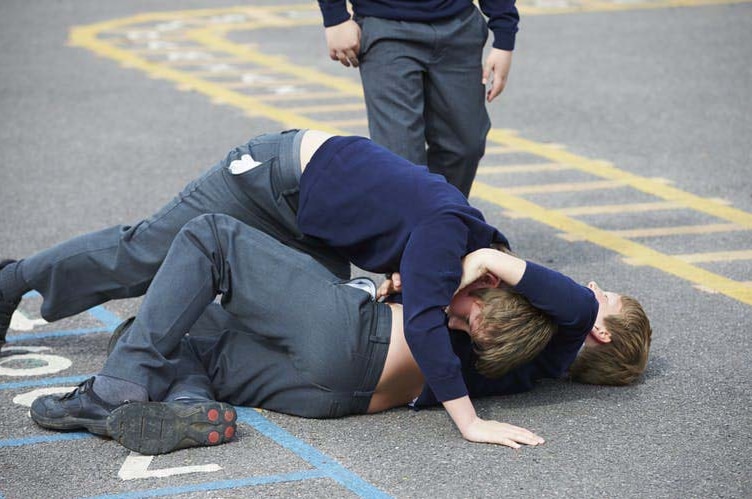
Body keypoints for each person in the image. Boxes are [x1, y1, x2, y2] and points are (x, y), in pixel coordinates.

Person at [0, 129, 614, 444]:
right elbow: (433, 320)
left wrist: (470, 416)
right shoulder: (448, 236)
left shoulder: (510, 330)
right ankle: (15, 280)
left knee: (194, 303)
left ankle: (160, 397)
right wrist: (469, 416)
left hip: (321, 244)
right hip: (273, 180)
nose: (450, 324)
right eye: (463, 316)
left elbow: (536, 320)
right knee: (144, 258)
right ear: (485, 281)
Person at [29, 219, 650, 454]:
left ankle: (112, 394)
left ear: (596, 332)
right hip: (339, 396)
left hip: (357, 339)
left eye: (603, 298)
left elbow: (503, 260)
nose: (590, 285)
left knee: (211, 237)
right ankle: (190, 405)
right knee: (160, 332)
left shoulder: (564, 325)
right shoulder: (539, 367)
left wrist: (472, 260)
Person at [318, 0, 518, 196]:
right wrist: (335, 17)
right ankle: (418, 224)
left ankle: (440, 217)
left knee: (465, 147)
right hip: (385, 27)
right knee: (401, 158)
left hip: (460, 26)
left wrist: (504, 35)